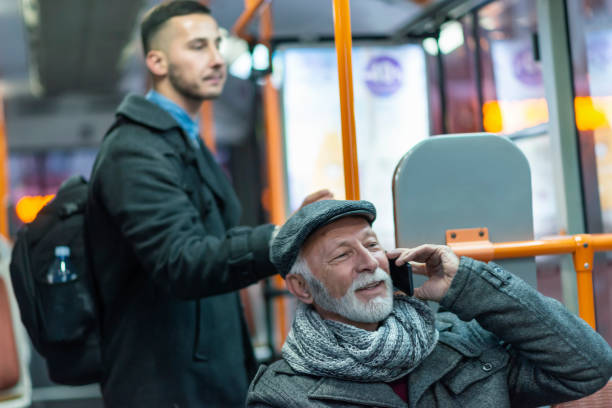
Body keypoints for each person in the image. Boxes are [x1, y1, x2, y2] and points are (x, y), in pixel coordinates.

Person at [86, 1, 331, 406]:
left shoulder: (179, 139)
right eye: (198, 47)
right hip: (165, 384)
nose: (217, 59)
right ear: (157, 62)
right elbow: (182, 261)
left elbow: (211, 242)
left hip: (199, 374)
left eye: (218, 44)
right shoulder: (135, 150)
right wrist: (283, 237)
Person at [247, 199, 612, 407]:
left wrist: (470, 284)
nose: (369, 262)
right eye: (342, 255)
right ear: (301, 287)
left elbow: (588, 367)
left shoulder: (461, 343)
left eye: (372, 245)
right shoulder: (283, 396)